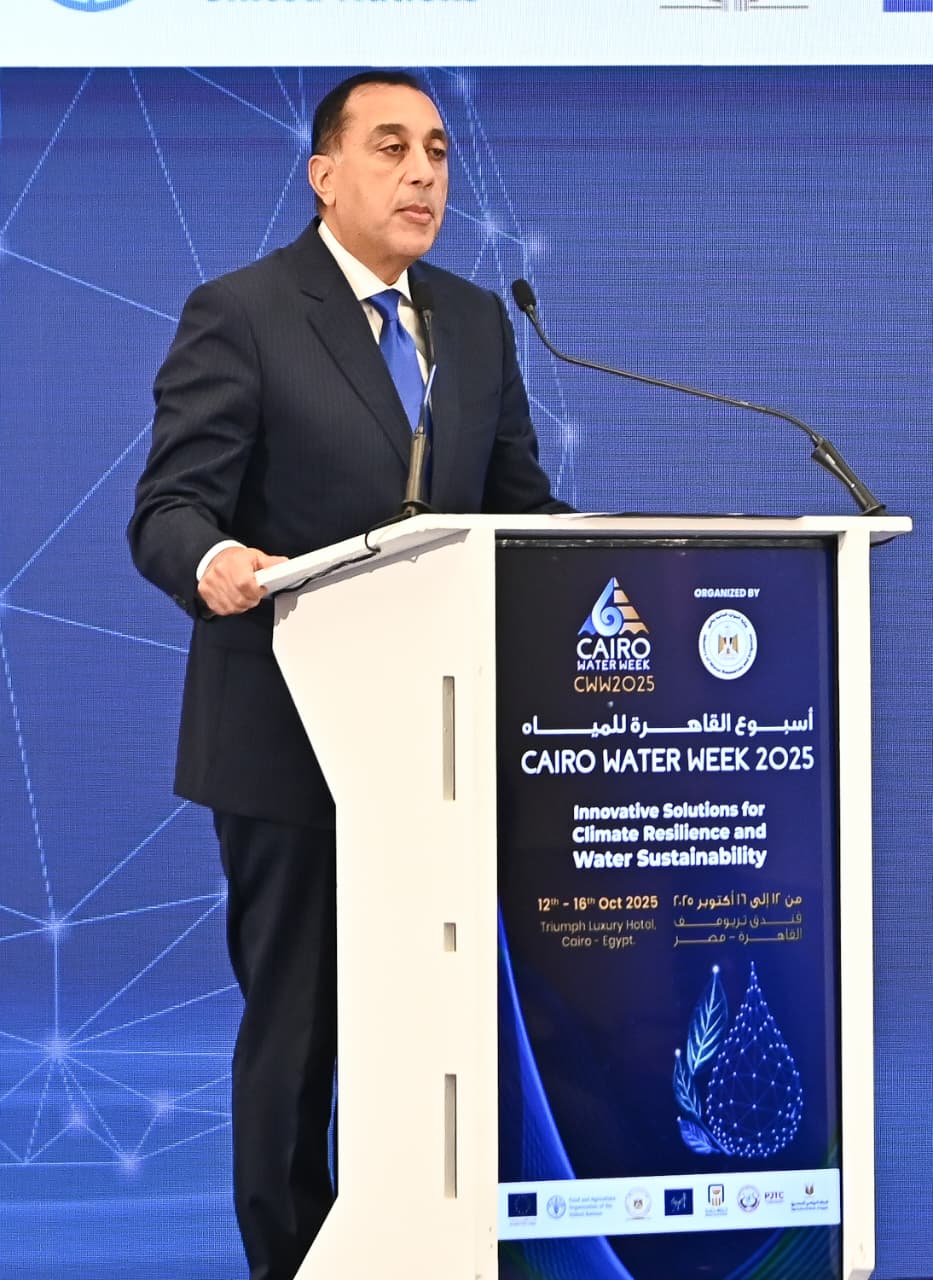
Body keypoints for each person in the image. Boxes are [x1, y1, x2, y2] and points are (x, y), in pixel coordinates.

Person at [128, 70, 567, 1280]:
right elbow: (169, 506)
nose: (424, 171)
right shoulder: (243, 310)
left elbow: (519, 508)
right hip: (289, 737)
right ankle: (292, 1260)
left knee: (437, 1020)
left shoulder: (473, 321)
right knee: (301, 1030)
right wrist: (214, 559)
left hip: (445, 753)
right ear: (324, 173)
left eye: (437, 149)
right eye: (391, 147)